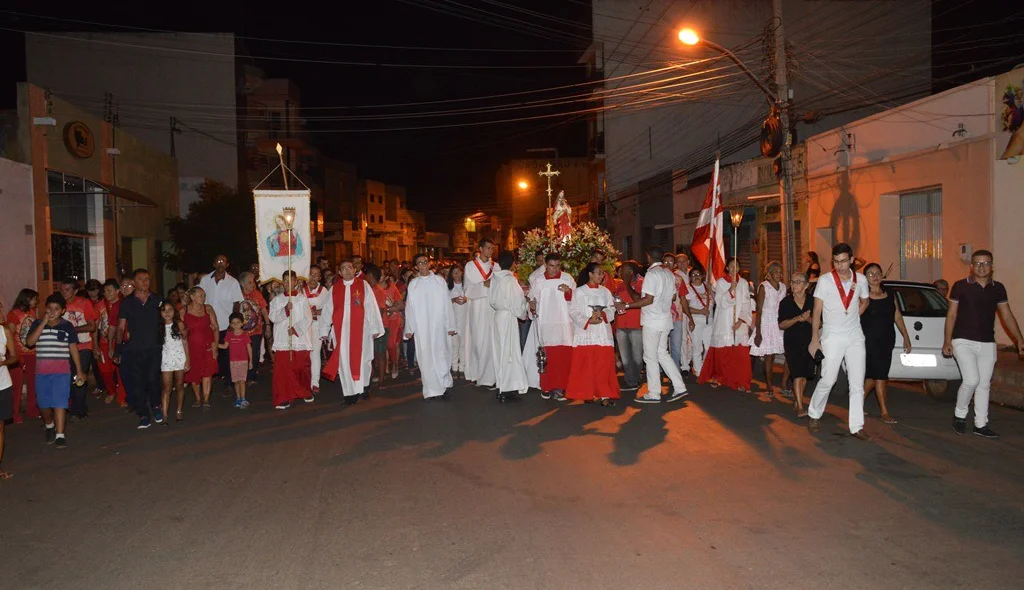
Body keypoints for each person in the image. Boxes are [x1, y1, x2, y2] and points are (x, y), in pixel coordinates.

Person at [943, 250, 1024, 439]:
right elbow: (952, 314)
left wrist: (1019, 339)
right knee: (971, 380)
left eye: (986, 263)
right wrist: (947, 340)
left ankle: (981, 424)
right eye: (977, 263)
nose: (981, 267)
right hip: (963, 340)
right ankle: (960, 415)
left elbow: (1006, 315)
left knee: (984, 385)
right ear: (971, 266)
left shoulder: (998, 288)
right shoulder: (960, 286)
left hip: (987, 342)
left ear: (991, 266)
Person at [807, 243, 871, 439]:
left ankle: (857, 426)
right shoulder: (825, 281)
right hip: (832, 335)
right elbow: (817, 311)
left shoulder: (860, 279)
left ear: (852, 260)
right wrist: (814, 339)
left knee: (857, 382)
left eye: (843, 261)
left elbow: (865, 300)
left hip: (854, 335)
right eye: (836, 261)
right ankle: (814, 413)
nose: (840, 265)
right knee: (828, 379)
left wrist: (855, 315)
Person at [615, 246, 687, 403]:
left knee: (650, 356)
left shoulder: (652, 274)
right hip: (665, 319)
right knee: (662, 353)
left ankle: (654, 393)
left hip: (653, 321)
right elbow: (674, 296)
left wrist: (626, 306)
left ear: (648, 257)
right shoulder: (669, 273)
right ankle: (680, 387)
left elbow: (648, 300)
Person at [26, 293, 85, 448]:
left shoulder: (67, 326)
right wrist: (42, 323)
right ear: (45, 309)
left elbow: (73, 349)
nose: (52, 312)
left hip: (62, 372)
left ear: (63, 311)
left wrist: (79, 371)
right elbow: (30, 342)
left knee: (60, 402)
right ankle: (49, 426)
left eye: (56, 309)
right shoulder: (38, 323)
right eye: (49, 308)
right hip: (42, 372)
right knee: (43, 403)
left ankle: (60, 434)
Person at [322, 260, 385, 405]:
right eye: (343, 269)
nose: (347, 271)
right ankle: (349, 394)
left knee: (364, 359)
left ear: (354, 269)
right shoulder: (335, 289)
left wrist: (375, 328)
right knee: (344, 361)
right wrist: (324, 330)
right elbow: (327, 311)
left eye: (349, 267)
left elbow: (371, 307)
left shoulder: (363, 285)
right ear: (339, 272)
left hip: (362, 329)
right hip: (342, 331)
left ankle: (364, 388)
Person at [859, 263, 912, 425]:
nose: (875, 276)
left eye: (877, 273)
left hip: (887, 339)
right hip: (868, 341)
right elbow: (853, 317)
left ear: (882, 275)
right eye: (870, 274)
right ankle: (884, 411)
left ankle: (857, 402)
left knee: (873, 376)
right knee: (880, 376)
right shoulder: (862, 295)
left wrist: (906, 336)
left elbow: (897, 316)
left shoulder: (889, 293)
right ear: (865, 278)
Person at [114, 269, 165, 429]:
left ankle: (156, 406)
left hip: (154, 347)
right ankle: (143, 414)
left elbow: (168, 320)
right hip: (135, 349)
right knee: (138, 383)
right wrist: (117, 348)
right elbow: (121, 327)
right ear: (134, 283)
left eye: (147, 279)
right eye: (140, 279)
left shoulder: (157, 300)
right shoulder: (127, 302)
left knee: (153, 379)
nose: (144, 282)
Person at [404, 254, 456, 401]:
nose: (423, 265)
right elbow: (410, 308)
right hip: (422, 327)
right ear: (416, 267)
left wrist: (450, 324)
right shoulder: (413, 284)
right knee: (426, 357)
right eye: (419, 263)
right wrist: (409, 329)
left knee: (442, 355)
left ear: (429, 264)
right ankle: (431, 389)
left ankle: (443, 385)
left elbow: (447, 303)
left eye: (425, 262)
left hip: (439, 325)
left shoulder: (439, 282)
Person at [566, 263, 619, 406]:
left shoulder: (605, 292)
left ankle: (605, 395)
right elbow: (573, 311)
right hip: (586, 332)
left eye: (603, 273)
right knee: (586, 365)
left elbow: (611, 309)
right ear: (590, 274)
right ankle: (587, 392)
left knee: (604, 365)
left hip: (602, 332)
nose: (602, 276)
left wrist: (603, 314)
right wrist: (588, 321)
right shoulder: (579, 292)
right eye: (599, 273)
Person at [699, 258, 753, 392]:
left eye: (737, 266)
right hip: (724, 320)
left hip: (739, 321)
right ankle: (719, 377)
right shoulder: (721, 282)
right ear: (727, 268)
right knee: (722, 353)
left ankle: (741, 381)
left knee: (740, 354)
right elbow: (721, 302)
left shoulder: (744, 283)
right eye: (731, 266)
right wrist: (730, 290)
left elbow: (747, 303)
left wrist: (741, 321)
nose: (734, 268)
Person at [528, 252, 575, 401]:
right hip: (546, 322)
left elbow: (577, 300)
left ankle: (562, 386)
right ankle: (547, 387)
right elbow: (531, 301)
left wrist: (569, 292)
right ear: (545, 265)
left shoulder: (567, 278)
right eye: (551, 266)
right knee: (547, 357)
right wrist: (532, 306)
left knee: (563, 356)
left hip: (564, 322)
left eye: (557, 266)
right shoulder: (539, 281)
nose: (554, 269)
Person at [268, 271, 315, 410]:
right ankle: (284, 396)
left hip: (299, 339)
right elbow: (272, 317)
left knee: (301, 367)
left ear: (295, 282)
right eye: (285, 281)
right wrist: (285, 310)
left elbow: (308, 317)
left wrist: (295, 330)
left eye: (291, 281)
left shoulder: (302, 299)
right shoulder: (277, 300)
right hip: (283, 339)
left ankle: (304, 391)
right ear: (283, 282)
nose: (288, 283)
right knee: (283, 370)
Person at [198, 254, 243, 394]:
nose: (220, 264)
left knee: (226, 354)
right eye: (218, 261)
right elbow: (199, 299)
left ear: (227, 264)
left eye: (223, 261)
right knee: (208, 352)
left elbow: (237, 302)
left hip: (225, 323)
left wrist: (232, 322)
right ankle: (207, 379)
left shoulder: (233, 282)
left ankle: (228, 382)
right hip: (208, 324)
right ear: (213, 264)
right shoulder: (205, 280)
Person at [488, 251, 529, 402]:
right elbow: (517, 303)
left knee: (501, 352)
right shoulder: (510, 281)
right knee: (509, 354)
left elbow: (491, 300)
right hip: (508, 318)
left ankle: (502, 385)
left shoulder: (495, 279)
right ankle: (507, 389)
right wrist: (524, 311)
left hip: (498, 316)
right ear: (512, 263)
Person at [59, 277, 97, 419]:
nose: (64, 292)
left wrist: (72, 330)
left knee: (79, 376)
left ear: (75, 291)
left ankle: (78, 409)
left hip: (83, 346)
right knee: (69, 377)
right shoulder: (58, 304)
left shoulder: (84, 303)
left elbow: (92, 326)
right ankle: (76, 405)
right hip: (64, 348)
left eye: (67, 290)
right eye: (62, 289)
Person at [778, 273, 814, 417]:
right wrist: (798, 318)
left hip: (809, 341)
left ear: (806, 285)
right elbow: (781, 324)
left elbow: (820, 323)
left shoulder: (813, 301)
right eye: (792, 282)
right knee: (797, 374)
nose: (794, 285)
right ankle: (800, 406)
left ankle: (797, 399)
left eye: (798, 282)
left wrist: (809, 319)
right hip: (792, 341)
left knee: (805, 375)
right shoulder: (786, 302)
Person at [463, 239, 498, 388]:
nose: (490, 251)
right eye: (488, 248)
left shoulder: (496, 266)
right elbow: (468, 289)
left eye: (492, 248)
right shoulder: (470, 266)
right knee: (478, 340)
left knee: (491, 341)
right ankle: (477, 373)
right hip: (476, 307)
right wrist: (484, 285)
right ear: (480, 248)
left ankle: (490, 376)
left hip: (491, 307)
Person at [749, 261, 788, 395]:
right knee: (769, 356)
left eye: (780, 272)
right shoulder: (764, 287)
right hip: (767, 322)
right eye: (776, 271)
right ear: (769, 274)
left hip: (780, 322)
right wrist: (758, 333)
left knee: (788, 353)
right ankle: (769, 386)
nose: (779, 274)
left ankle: (783, 383)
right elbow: (759, 310)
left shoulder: (783, 287)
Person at [6, 288, 39, 423]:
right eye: (34, 299)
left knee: (33, 383)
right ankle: (15, 412)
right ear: (27, 299)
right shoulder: (13, 314)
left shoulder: (32, 312)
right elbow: (11, 335)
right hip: (19, 354)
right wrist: (13, 354)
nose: (36, 302)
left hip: (32, 353)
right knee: (17, 385)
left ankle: (32, 409)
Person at [183, 287, 219, 410]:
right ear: (192, 297)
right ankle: (198, 398)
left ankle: (206, 399)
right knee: (194, 373)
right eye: (200, 295)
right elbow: (180, 331)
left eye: (204, 295)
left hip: (208, 346)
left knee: (207, 372)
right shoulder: (184, 311)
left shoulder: (207, 309)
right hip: (192, 348)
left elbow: (215, 327)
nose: (203, 298)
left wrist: (216, 345)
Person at [613, 261, 644, 390]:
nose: (620, 273)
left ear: (631, 271)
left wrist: (627, 284)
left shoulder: (642, 282)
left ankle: (634, 378)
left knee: (637, 355)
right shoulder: (619, 284)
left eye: (623, 271)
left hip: (636, 323)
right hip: (621, 323)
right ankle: (631, 380)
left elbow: (639, 299)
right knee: (625, 356)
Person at [158, 302, 190, 423]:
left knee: (180, 385)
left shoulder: (179, 324)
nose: (167, 313)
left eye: (170, 310)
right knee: (166, 387)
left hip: (179, 357)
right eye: (164, 310)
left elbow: (185, 342)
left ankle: (179, 411)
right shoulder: (158, 326)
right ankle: (165, 415)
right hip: (165, 358)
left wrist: (188, 360)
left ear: (174, 311)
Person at [95, 280, 125, 406]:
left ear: (117, 291)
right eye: (105, 291)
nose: (106, 294)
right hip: (104, 342)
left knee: (122, 371)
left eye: (109, 291)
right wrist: (95, 346)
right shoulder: (99, 305)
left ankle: (122, 396)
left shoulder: (124, 304)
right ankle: (111, 391)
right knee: (105, 370)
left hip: (120, 342)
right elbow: (95, 326)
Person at [663, 253, 694, 375]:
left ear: (688, 261)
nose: (681, 264)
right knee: (675, 342)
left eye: (684, 261)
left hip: (684, 312)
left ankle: (688, 362)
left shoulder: (692, 274)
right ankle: (682, 365)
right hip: (670, 314)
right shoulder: (672, 276)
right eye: (679, 261)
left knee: (690, 339)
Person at [303, 266, 331, 394]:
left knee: (314, 354)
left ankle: (314, 382)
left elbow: (328, 310)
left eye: (316, 275)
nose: (313, 277)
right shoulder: (300, 289)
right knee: (304, 355)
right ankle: (304, 381)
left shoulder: (324, 291)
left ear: (320, 277)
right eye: (311, 274)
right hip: (303, 327)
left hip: (317, 326)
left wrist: (316, 311)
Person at [238, 272, 269, 386]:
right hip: (241, 331)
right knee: (243, 353)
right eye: (249, 283)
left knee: (254, 352)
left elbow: (264, 310)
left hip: (256, 330)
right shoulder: (238, 294)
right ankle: (243, 375)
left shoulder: (257, 294)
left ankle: (252, 376)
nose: (253, 285)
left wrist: (268, 325)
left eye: (253, 282)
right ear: (242, 284)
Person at [219, 312, 253, 409]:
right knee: (236, 381)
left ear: (242, 323)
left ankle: (243, 398)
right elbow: (225, 346)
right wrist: (214, 345)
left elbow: (249, 348)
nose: (236, 325)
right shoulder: (229, 335)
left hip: (243, 361)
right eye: (233, 323)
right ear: (230, 324)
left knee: (242, 381)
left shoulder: (245, 335)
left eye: (238, 322)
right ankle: (238, 398)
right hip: (233, 362)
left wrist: (251, 361)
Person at [683, 266, 712, 378]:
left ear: (702, 276)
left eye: (698, 274)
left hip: (709, 321)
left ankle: (705, 368)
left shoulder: (707, 287)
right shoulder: (688, 289)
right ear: (690, 277)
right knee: (697, 347)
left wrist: (712, 291)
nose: (696, 277)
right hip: (695, 321)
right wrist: (700, 311)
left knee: (709, 347)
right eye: (693, 275)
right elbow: (686, 307)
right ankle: (698, 371)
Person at [0, 299, 18, 478]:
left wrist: (3, 362)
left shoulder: (4, 331)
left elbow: (14, 357)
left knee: (0, 427)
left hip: (2, 384)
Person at [448, 264, 469, 379]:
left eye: (458, 272)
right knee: (454, 345)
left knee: (463, 345)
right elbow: (445, 304)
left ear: (462, 273)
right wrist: (453, 300)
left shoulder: (466, 287)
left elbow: (473, 300)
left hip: (464, 320)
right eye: (454, 273)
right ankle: (454, 367)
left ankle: (462, 368)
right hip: (454, 321)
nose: (456, 275)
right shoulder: (449, 289)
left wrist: (467, 299)